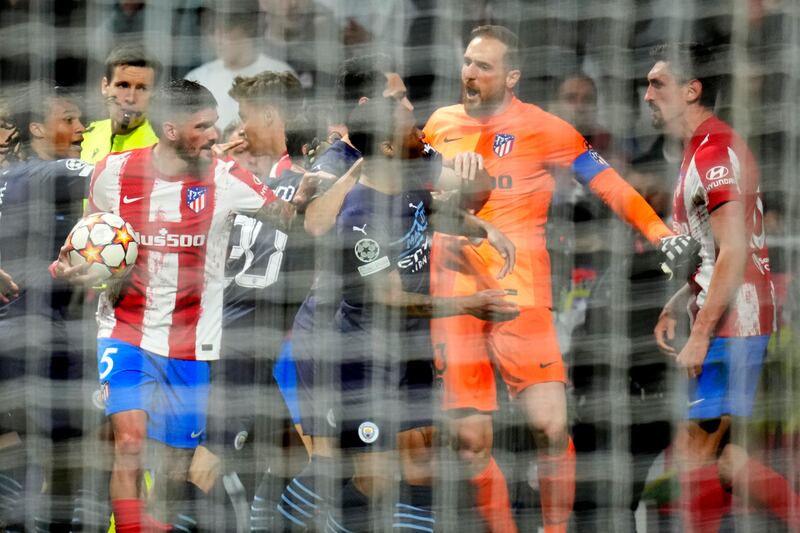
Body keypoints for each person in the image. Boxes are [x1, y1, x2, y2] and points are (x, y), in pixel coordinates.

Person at [422, 25, 699, 533]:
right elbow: (416, 198)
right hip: (457, 300)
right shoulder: (438, 125)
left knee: (550, 426)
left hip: (522, 299)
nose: (470, 73)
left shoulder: (547, 127)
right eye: (467, 61)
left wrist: (662, 236)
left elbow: (609, 183)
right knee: (471, 443)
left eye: (483, 66)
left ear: (512, 76)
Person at [51, 79, 317, 531]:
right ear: (170, 130)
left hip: (192, 343)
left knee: (174, 470)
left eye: (215, 125)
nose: (216, 135)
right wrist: (67, 264)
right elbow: (89, 236)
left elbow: (282, 216)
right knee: (129, 444)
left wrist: (304, 198)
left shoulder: (227, 176)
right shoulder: (112, 173)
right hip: (125, 328)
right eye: (204, 127)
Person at [646, 42, 799, 532]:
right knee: (729, 462)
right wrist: (679, 301)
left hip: (736, 326)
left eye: (657, 83)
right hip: (730, 319)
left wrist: (699, 333)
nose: (647, 94)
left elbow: (734, 253)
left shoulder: (716, 151)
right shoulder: (699, 149)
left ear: (692, 90)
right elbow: (715, 253)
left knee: (690, 457)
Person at [0, 83, 94, 530]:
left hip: (33, 332)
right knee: (64, 451)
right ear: (37, 128)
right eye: (69, 120)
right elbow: (103, 173)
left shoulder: (9, 177)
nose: (81, 128)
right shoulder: (42, 173)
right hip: (35, 336)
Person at [184, 7, 294, 130]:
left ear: (247, 27)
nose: (217, 38)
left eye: (225, 29)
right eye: (211, 30)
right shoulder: (197, 78)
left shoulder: (280, 73)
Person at [80, 44, 162, 164]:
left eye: (142, 88)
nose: (130, 98)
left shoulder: (160, 146)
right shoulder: (85, 135)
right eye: (123, 85)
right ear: (105, 86)